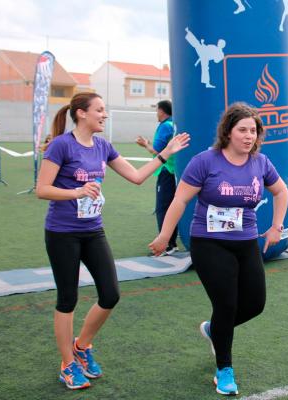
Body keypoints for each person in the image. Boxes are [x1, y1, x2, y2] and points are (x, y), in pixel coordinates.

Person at [35, 92, 189, 390]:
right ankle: (67, 364)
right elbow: (42, 189)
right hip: (62, 232)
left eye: (104, 110)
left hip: (93, 231)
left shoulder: (103, 146)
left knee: (110, 294)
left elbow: (136, 176)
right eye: (99, 110)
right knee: (68, 299)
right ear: (81, 113)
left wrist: (166, 152)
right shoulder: (61, 145)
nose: (104, 115)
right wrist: (76, 192)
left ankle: (82, 345)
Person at [148, 103, 288, 396]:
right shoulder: (205, 161)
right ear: (227, 131)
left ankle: (215, 330)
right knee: (225, 304)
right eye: (243, 130)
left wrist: (276, 226)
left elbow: (281, 191)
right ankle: (224, 369)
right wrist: (164, 235)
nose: (249, 136)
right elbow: (179, 200)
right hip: (209, 242)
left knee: (255, 303)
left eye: (253, 131)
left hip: (246, 241)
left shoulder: (261, 163)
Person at [136, 100, 179, 255]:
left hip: (167, 170)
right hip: (176, 170)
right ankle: (171, 241)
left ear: (162, 111)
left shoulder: (165, 126)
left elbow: (157, 151)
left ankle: (168, 244)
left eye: (157, 110)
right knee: (173, 205)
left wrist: (145, 144)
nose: (156, 113)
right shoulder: (174, 123)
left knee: (163, 207)